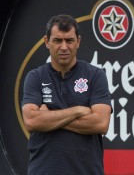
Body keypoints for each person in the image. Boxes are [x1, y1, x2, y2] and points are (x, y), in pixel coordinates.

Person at [21, 14, 112, 175]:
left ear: (78, 41)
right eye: (57, 40)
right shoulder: (35, 77)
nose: (64, 47)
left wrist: (49, 117)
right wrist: (77, 111)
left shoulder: (95, 75)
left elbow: (100, 123)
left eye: (69, 40)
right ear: (46, 41)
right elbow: (31, 120)